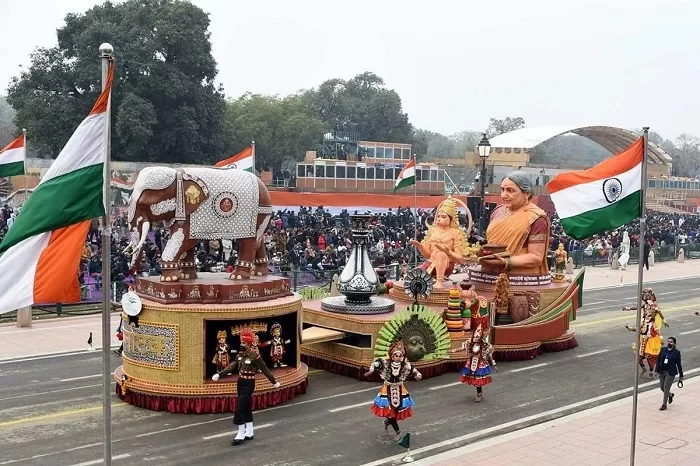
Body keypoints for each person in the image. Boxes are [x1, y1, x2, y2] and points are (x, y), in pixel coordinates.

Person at [212, 328, 280, 445]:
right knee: (246, 406)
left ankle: (240, 433)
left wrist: (274, 382)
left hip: (249, 383)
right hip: (240, 382)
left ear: (248, 344)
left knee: (240, 406)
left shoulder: (255, 356)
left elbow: (265, 370)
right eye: (241, 342)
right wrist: (220, 374)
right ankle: (249, 431)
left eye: (243, 343)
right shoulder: (240, 355)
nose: (241, 344)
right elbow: (232, 365)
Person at [479, 171, 550, 275]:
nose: (504, 195)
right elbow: (491, 245)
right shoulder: (497, 212)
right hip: (489, 273)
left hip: (520, 279)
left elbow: (536, 257)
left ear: (527, 193)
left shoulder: (537, 218)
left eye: (510, 191)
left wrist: (506, 261)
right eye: (502, 190)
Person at [409, 196, 471, 287]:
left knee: (441, 254)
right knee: (411, 277)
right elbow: (428, 255)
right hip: (431, 263)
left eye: (443, 217)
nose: (439, 218)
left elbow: (460, 258)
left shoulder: (455, 233)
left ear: (451, 219)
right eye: (438, 216)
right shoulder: (433, 231)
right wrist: (420, 246)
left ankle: (439, 282)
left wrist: (448, 252)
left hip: (447, 265)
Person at [365, 340, 422, 438]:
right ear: (392, 356)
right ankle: (398, 432)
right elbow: (375, 364)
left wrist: (418, 375)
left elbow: (416, 372)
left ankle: (387, 422)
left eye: (400, 356)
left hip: (400, 389)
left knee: (396, 411)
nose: (398, 358)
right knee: (390, 411)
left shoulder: (405, 365)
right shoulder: (385, 363)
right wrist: (372, 369)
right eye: (396, 356)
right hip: (387, 389)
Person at [452, 322, 497, 402]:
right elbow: (463, 347)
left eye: (478, 334)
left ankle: (479, 394)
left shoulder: (484, 344)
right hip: (472, 361)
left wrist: (493, 363)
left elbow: (490, 354)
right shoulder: (470, 342)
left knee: (478, 379)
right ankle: (479, 392)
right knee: (474, 378)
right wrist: (455, 350)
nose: (476, 336)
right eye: (476, 334)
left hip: (480, 362)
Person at [655, 336, 683, 411]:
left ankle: (664, 404)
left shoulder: (676, 353)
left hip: (670, 373)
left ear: (674, 343)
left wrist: (681, 376)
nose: (669, 343)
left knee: (666, 388)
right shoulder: (663, 349)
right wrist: (656, 371)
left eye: (671, 342)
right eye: (668, 341)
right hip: (662, 371)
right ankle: (670, 395)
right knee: (662, 387)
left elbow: (679, 365)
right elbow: (658, 360)